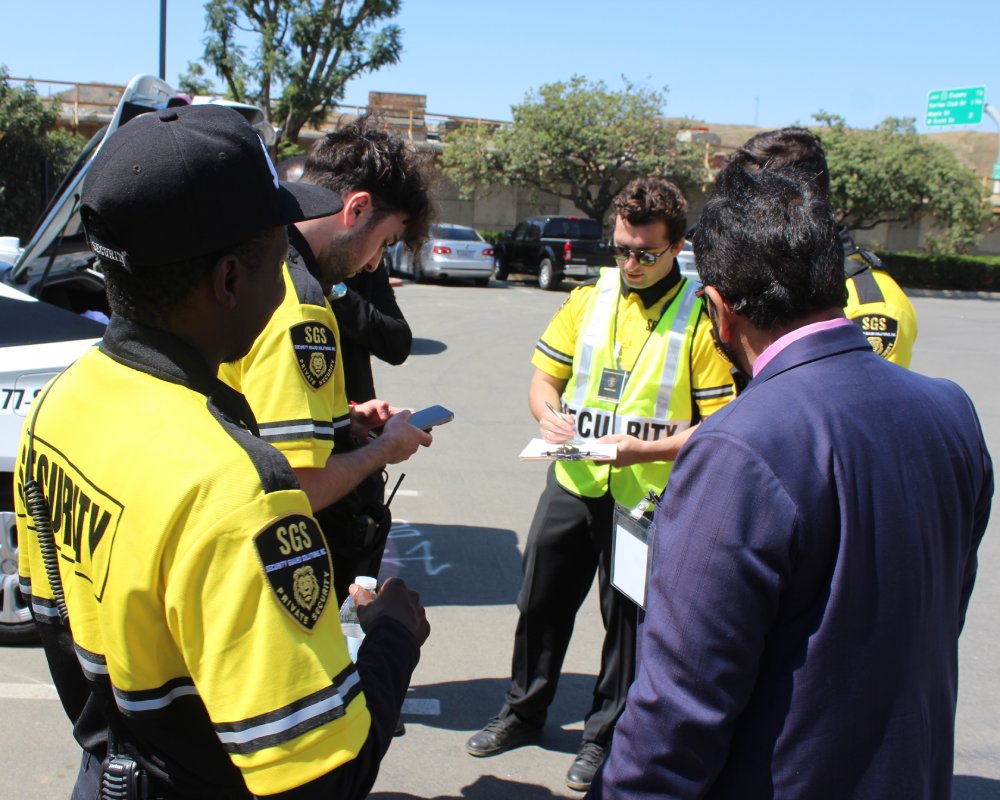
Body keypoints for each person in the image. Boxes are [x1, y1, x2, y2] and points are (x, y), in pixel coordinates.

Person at [15, 104, 430, 799]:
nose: (296, 285)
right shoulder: (239, 492)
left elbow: (53, 618)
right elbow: (323, 777)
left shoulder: (60, 403)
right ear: (232, 280)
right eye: (279, 256)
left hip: (108, 770)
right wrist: (392, 639)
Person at [587, 165, 993, 799]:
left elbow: (678, 709)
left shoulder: (736, 449)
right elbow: (944, 609)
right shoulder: (951, 411)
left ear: (719, 310)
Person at [466, 177, 735, 791]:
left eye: (646, 253)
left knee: (627, 624)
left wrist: (646, 447)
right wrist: (546, 413)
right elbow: (543, 379)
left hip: (646, 495)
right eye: (621, 249)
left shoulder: (701, 315)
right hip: (575, 478)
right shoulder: (590, 296)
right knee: (539, 602)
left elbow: (718, 426)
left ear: (678, 247)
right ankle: (522, 710)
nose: (631, 263)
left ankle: (603, 736)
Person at [219, 115, 433, 605]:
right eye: (384, 242)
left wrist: (343, 423)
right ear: (356, 209)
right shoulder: (300, 304)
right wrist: (384, 449)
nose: (376, 263)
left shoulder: (258, 262)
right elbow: (301, 488)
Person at [723, 126, 918, 366]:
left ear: (802, 199)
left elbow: (855, 399)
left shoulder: (872, 305)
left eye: (750, 204)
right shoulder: (767, 284)